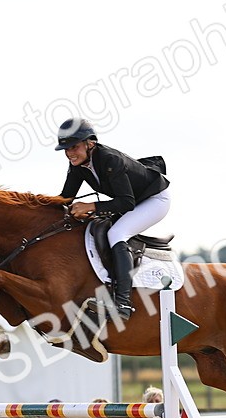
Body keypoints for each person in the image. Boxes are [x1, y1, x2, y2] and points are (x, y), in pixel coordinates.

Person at [56, 117, 171, 319]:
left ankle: (123, 303)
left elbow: (126, 202)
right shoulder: (78, 166)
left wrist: (91, 206)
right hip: (134, 200)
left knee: (117, 233)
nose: (69, 153)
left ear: (90, 143)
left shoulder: (110, 159)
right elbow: (65, 198)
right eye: (66, 149)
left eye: (74, 147)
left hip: (154, 200)